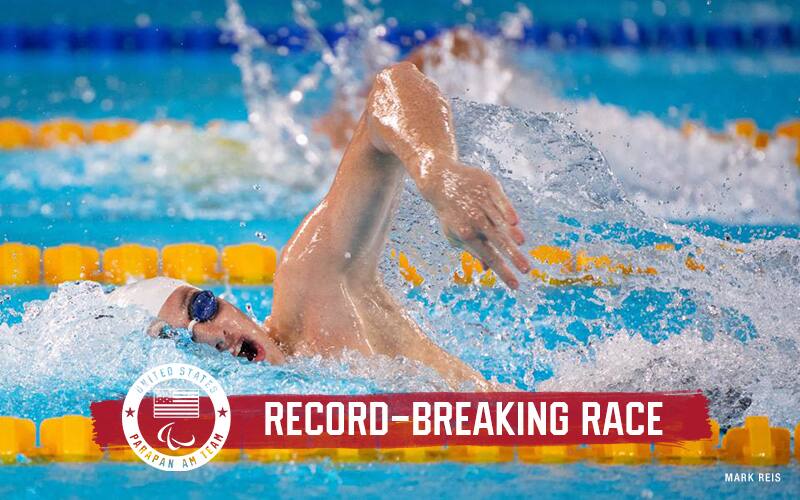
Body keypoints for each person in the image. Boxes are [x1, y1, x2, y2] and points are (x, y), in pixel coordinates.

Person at [109, 61, 530, 390]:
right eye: (184, 343)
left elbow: (393, 85)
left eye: (200, 308)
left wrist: (437, 170)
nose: (214, 336)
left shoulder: (311, 290)